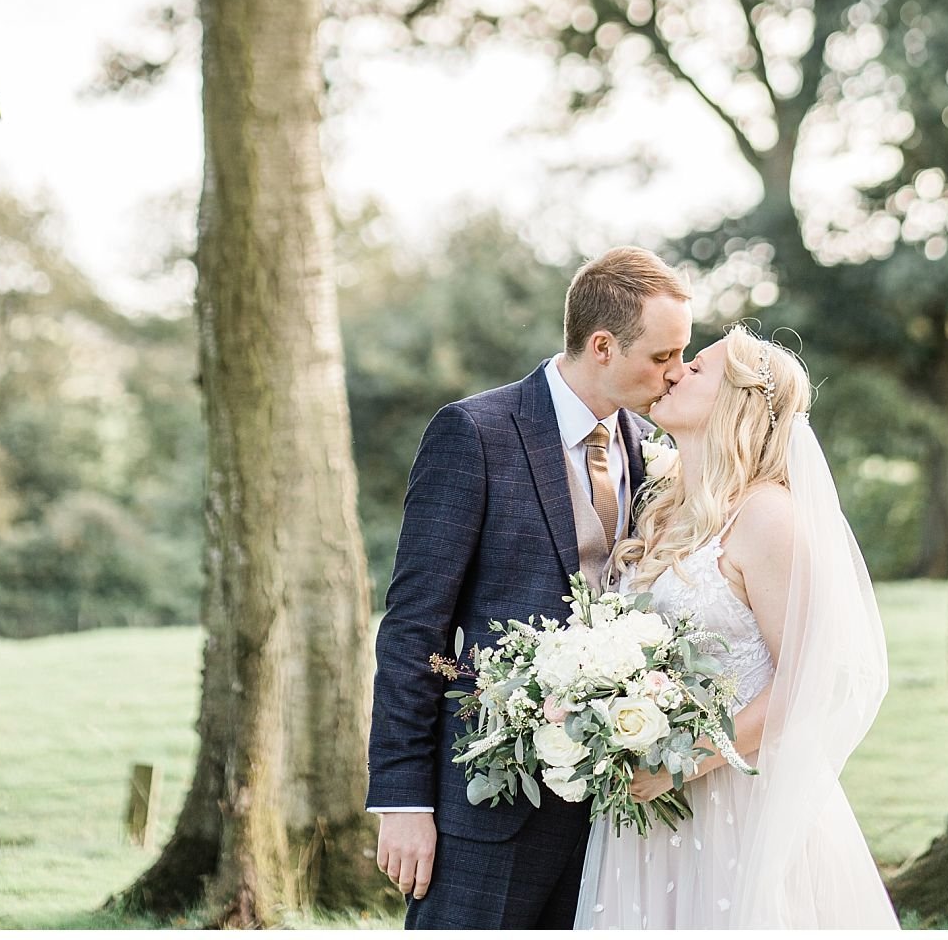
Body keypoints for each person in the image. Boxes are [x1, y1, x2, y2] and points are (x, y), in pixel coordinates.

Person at [367, 246, 694, 930]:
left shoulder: (650, 449)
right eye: (663, 356)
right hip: (487, 808)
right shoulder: (475, 434)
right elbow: (416, 632)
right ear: (603, 345)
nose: (678, 373)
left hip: (613, 815)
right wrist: (404, 800)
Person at [575, 328, 898, 931]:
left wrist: (682, 762)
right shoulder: (664, 510)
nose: (673, 373)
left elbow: (810, 683)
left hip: (740, 802)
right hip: (652, 812)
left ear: (737, 403)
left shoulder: (767, 516)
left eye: (695, 368)